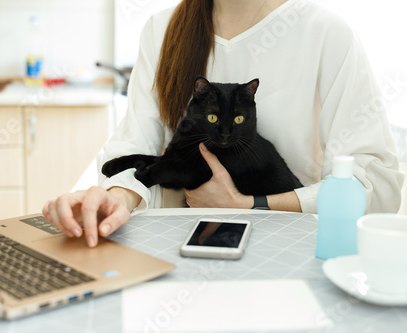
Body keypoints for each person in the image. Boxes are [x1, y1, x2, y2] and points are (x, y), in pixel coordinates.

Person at [43, 0, 404, 247]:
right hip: (176, 250)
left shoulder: (326, 34)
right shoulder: (162, 29)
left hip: (288, 250)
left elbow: (375, 185)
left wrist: (252, 203)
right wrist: (111, 200)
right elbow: (136, 149)